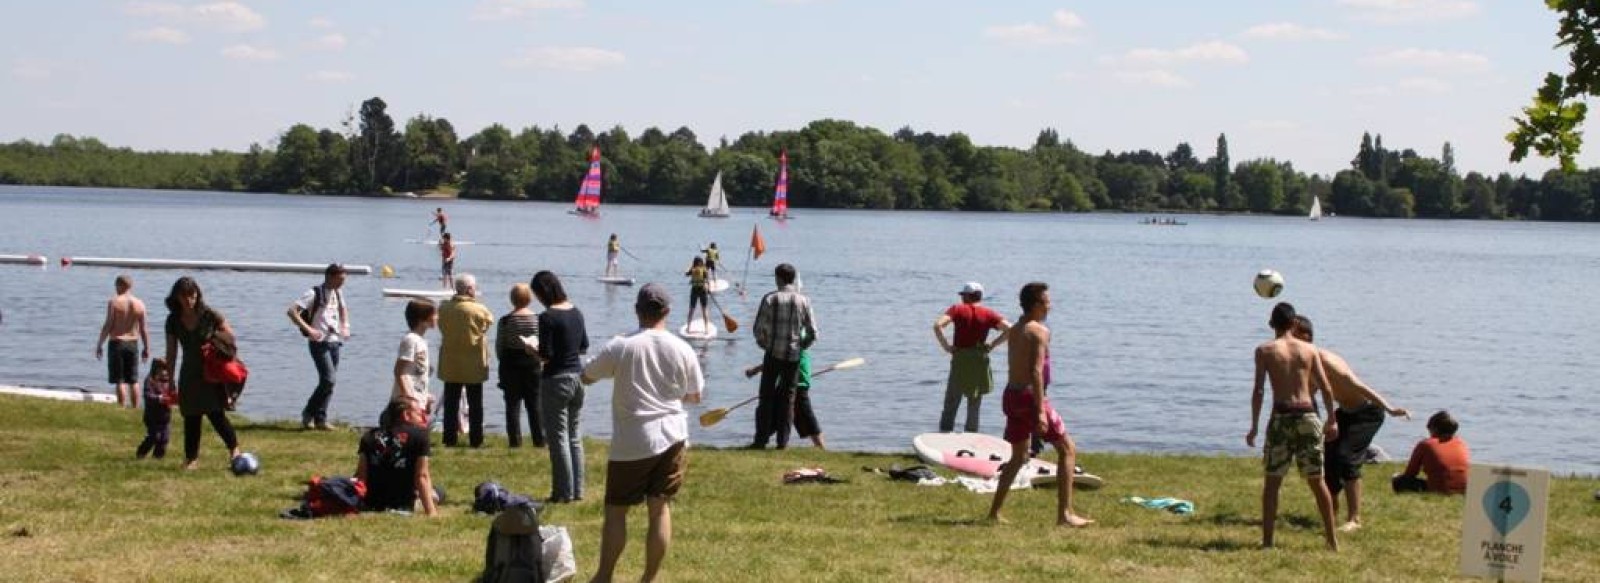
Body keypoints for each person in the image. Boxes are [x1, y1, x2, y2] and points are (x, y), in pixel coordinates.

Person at [581, 283, 704, 583]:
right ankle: (648, 578)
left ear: (637, 310)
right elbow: (695, 395)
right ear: (668, 312)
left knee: (616, 511)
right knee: (659, 509)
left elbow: (586, 377)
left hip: (632, 441)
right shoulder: (683, 347)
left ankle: (604, 576)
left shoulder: (621, 346)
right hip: (673, 436)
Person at [986, 282, 1093, 528]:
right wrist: (1041, 411)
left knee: (1018, 456)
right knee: (1067, 449)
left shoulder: (1015, 329)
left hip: (1011, 396)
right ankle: (1064, 514)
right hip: (1030, 397)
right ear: (1036, 305)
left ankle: (994, 513)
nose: (1050, 305)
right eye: (1046, 301)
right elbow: (1035, 372)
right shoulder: (1038, 331)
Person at [1291, 315, 1411, 532]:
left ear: (1305, 337)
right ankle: (1332, 511)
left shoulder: (1327, 361)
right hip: (1344, 414)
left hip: (1367, 413)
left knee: (1346, 458)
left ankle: (1355, 519)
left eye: (1293, 334)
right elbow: (1311, 395)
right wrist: (1322, 423)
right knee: (1327, 458)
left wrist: (1390, 409)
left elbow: (1361, 387)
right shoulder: (1306, 363)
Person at [1246, 302, 1339, 551]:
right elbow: (1326, 387)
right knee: (1317, 480)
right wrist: (1332, 419)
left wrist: (1254, 425)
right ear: (1294, 324)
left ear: (1271, 324)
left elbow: (1259, 390)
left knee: (1273, 481)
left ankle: (1267, 542)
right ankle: (1332, 540)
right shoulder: (1309, 350)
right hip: (1308, 415)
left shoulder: (1265, 350)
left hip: (1282, 417)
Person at [162, 277, 243, 471]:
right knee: (191, 415)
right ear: (177, 297)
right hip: (189, 372)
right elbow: (171, 351)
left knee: (216, 413)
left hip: (211, 371)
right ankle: (191, 459)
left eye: (193, 295)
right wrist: (170, 378)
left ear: (198, 295)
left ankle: (234, 449)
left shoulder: (209, 315)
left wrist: (215, 341)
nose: (189, 300)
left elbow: (231, 338)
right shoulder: (173, 320)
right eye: (185, 296)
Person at [533, 270, 589, 503]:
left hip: (556, 379)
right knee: (574, 437)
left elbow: (546, 355)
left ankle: (562, 492)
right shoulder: (576, 312)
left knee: (558, 439)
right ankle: (578, 490)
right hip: (577, 376)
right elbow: (583, 346)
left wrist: (530, 350)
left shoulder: (547, 317)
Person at [750, 263, 818, 450]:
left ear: (778, 278)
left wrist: (766, 345)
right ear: (793, 278)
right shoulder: (804, 300)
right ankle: (783, 442)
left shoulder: (770, 299)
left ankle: (761, 440)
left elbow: (757, 330)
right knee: (788, 400)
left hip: (772, 354)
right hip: (793, 357)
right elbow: (813, 332)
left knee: (766, 398)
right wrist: (800, 346)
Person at [932, 282, 1011, 433]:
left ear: (968, 296)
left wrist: (946, 346)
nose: (961, 298)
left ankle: (944, 434)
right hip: (979, 360)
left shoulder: (957, 309)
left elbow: (937, 325)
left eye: (963, 295)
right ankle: (971, 436)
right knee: (974, 403)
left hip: (960, 359)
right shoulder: (989, 313)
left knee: (951, 402)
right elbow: (1010, 329)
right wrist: (993, 344)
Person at [287, 263, 350, 431]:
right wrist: (309, 329)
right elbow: (292, 312)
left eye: (344, 279)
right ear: (330, 276)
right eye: (340, 279)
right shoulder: (313, 293)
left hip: (335, 341)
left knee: (330, 382)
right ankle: (308, 414)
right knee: (328, 379)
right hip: (318, 343)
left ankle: (321, 419)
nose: (342, 283)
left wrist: (345, 326)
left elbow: (343, 310)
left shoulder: (338, 292)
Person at [438, 274, 494, 448]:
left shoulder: (444, 308)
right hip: (473, 361)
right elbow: (487, 323)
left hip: (451, 360)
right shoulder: (479, 309)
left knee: (450, 403)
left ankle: (449, 438)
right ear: (470, 290)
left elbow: (441, 326)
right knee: (476, 403)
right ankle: (476, 440)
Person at [357, 401, 439, 517]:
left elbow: (361, 476)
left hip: (372, 502)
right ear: (406, 415)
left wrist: (356, 504)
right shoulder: (420, 436)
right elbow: (422, 476)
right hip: (402, 503)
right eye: (419, 413)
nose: (423, 416)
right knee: (439, 492)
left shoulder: (369, 436)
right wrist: (431, 512)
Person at [744, 333, 825, 449]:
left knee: (806, 417)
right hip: (788, 383)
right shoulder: (794, 335)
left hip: (799, 384)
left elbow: (780, 356)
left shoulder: (796, 337)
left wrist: (755, 370)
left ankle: (821, 448)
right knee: (775, 414)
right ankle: (760, 441)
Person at [496, 283, 544, 448]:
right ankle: (539, 439)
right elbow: (542, 344)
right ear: (529, 299)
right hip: (533, 364)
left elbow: (500, 346)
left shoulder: (505, 320)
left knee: (512, 405)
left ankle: (515, 441)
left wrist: (502, 361)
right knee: (535, 404)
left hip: (510, 364)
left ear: (512, 299)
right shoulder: (538, 319)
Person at [96, 274, 149, 409]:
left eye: (116, 286)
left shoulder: (114, 302)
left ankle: (121, 407)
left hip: (117, 342)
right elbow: (144, 329)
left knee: (120, 380)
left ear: (120, 286)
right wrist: (146, 348)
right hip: (133, 343)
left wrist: (100, 344)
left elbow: (108, 324)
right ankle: (135, 408)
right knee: (133, 380)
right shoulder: (140, 303)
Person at [1393, 411, 1470, 495]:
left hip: (1438, 490)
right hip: (1465, 490)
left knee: (1398, 480)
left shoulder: (1425, 444)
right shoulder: (1462, 443)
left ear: (1434, 429)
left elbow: (1410, 474)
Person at [391, 299, 437, 415]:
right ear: (422, 319)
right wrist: (409, 399)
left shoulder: (421, 341)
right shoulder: (411, 340)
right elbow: (399, 372)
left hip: (419, 399)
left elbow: (419, 374)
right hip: (407, 403)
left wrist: (425, 398)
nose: (437, 317)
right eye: (434, 314)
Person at [135, 358, 176, 459]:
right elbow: (147, 395)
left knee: (164, 438)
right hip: (152, 416)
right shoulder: (150, 380)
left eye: (166, 369)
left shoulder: (169, 380)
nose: (164, 372)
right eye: (161, 369)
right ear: (155, 369)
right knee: (154, 436)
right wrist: (159, 398)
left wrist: (174, 398)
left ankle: (158, 457)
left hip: (165, 416)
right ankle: (141, 452)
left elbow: (173, 392)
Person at [684, 256, 712, 333]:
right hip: (703, 290)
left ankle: (688, 328)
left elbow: (686, 273)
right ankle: (706, 329)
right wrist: (709, 289)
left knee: (691, 309)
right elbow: (707, 280)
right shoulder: (704, 270)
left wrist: (690, 266)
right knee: (704, 309)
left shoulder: (692, 269)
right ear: (701, 262)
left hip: (694, 290)